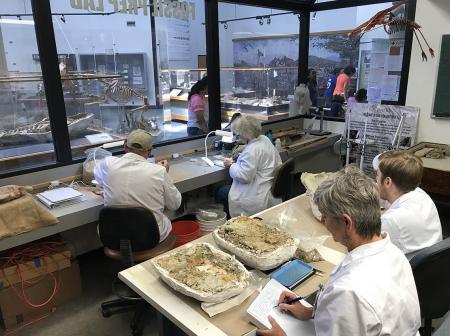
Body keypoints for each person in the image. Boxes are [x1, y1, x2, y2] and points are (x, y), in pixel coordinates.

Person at [257, 165, 421, 336]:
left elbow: (350, 304)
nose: (322, 220)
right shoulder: (393, 252)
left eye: (325, 216)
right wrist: (313, 312)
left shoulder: (348, 292)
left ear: (347, 223)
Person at [94, 129, 182, 242]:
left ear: (125, 147)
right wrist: (164, 174)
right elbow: (175, 204)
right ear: (149, 151)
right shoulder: (158, 171)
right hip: (149, 237)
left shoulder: (108, 163)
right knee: (165, 217)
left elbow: (99, 179)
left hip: (113, 236)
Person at [375, 150, 442, 259]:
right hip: (431, 267)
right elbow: (384, 198)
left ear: (388, 182)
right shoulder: (420, 194)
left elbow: (366, 250)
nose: (375, 180)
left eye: (377, 175)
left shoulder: (391, 220)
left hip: (405, 271)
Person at [222, 115, 282, 217]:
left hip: (255, 197)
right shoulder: (264, 139)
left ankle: (233, 225)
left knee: (221, 191)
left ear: (245, 135)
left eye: (238, 135)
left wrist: (231, 165)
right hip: (268, 189)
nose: (237, 138)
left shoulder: (251, 151)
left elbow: (245, 177)